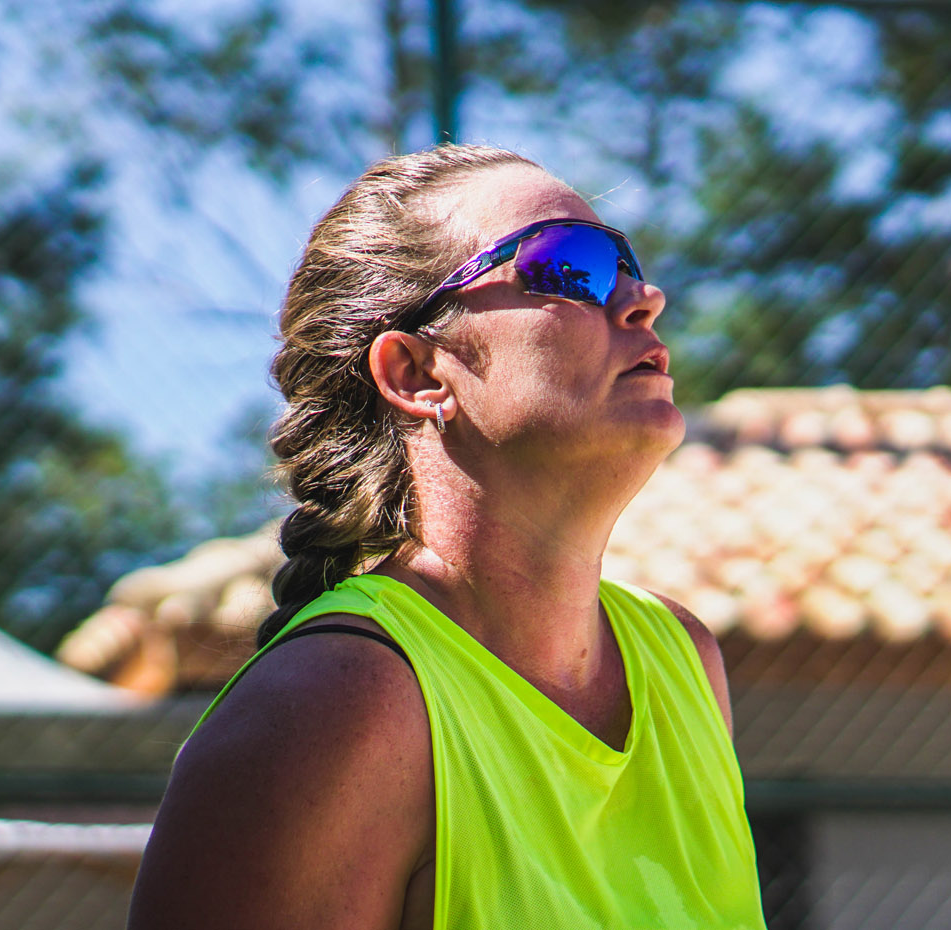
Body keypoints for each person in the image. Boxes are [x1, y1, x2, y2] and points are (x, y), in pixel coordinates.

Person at [127, 144, 767, 930]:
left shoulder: (681, 662)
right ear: (417, 373)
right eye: (569, 266)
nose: (645, 298)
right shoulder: (333, 705)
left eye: (627, 264)